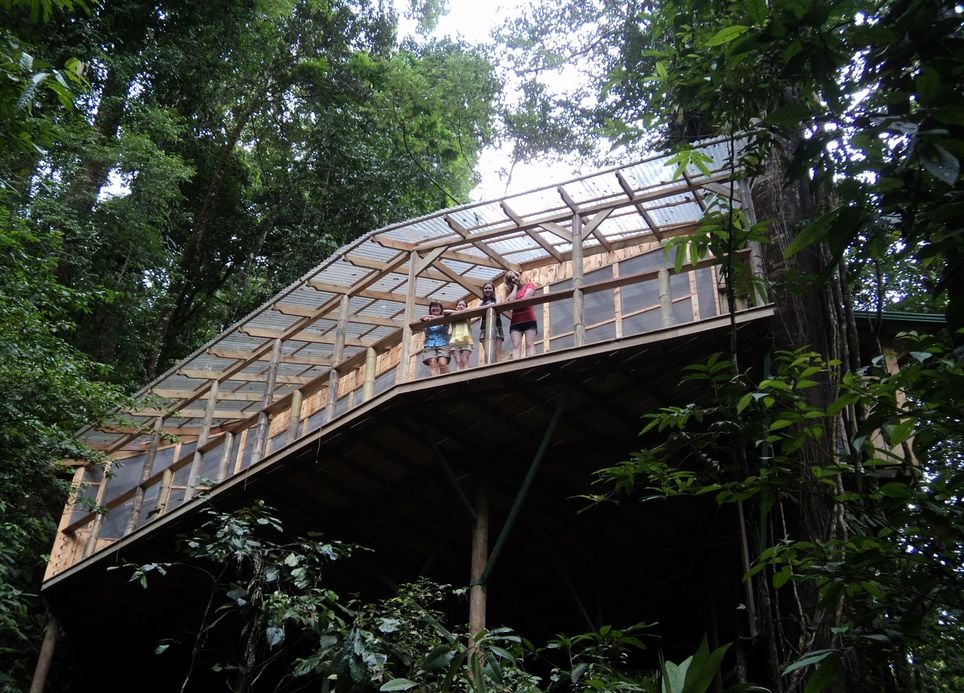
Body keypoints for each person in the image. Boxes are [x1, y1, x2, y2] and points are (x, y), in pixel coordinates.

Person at [505, 271, 538, 358]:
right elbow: (511, 302)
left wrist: (516, 303)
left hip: (529, 319)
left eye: (514, 276)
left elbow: (526, 298)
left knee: (529, 343)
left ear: (518, 276)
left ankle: (531, 362)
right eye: (511, 279)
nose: (513, 279)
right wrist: (515, 288)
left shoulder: (529, 285)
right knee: (516, 345)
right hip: (516, 321)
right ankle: (516, 363)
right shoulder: (511, 292)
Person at [420, 301, 450, 376]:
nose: (435, 308)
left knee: (442, 363)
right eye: (433, 306)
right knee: (432, 363)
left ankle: (446, 381)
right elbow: (421, 317)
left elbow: (446, 321)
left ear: (441, 309)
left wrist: (431, 317)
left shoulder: (444, 318)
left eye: (437, 307)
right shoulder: (425, 320)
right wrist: (425, 319)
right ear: (430, 309)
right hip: (429, 345)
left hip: (443, 344)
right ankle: (435, 381)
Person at [478, 281, 504, 364]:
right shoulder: (481, 302)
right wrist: (488, 305)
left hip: (496, 325)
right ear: (483, 290)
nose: (487, 290)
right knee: (487, 353)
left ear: (493, 290)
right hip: (484, 327)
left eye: (489, 288)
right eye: (485, 288)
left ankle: (498, 367)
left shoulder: (497, 298)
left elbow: (498, 305)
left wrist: (489, 306)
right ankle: (488, 367)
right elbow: (476, 309)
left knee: (497, 351)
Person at [445, 299, 473, 370]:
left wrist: (461, 312)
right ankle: (458, 374)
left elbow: (468, 309)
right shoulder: (453, 316)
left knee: (465, 360)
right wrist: (457, 312)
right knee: (458, 361)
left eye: (463, 305)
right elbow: (445, 311)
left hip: (466, 339)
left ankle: (467, 375)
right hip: (455, 340)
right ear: (456, 307)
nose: (461, 306)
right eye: (459, 305)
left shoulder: (467, 315)